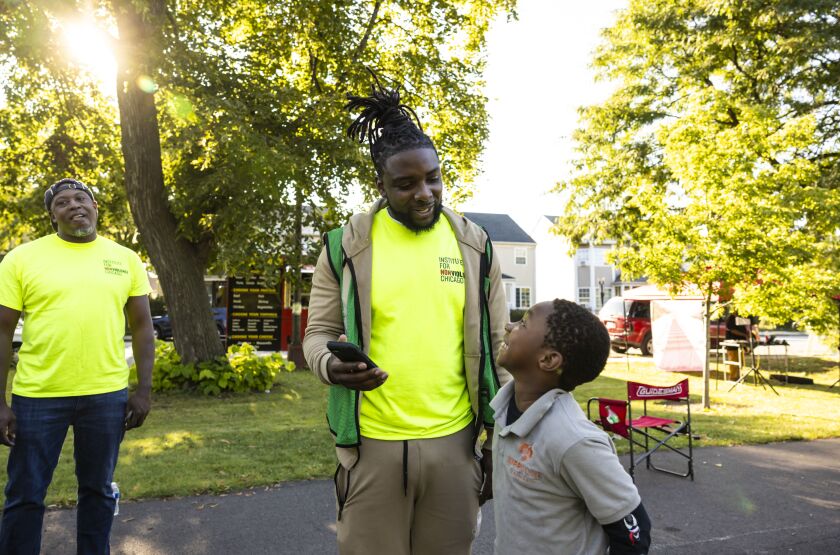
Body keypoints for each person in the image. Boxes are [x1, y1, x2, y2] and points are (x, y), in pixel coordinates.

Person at [302, 76, 509, 555]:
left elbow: (500, 347)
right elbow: (316, 334)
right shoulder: (346, 246)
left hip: (457, 445)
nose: (425, 193)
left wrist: (499, 441)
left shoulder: (475, 245)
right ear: (380, 183)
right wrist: (330, 366)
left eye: (433, 177)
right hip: (371, 446)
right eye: (406, 183)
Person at [0, 178, 155, 555]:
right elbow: (2, 330)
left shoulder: (125, 258)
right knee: (25, 493)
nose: (74, 205)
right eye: (63, 202)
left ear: (95, 205)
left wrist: (144, 390)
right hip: (38, 396)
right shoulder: (22, 258)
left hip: (106, 396)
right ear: (52, 215)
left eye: (81, 198)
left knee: (98, 490)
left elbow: (143, 326)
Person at [491, 299, 651, 555]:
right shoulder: (505, 408)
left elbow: (635, 531)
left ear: (549, 359)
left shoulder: (574, 440)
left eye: (523, 323)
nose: (509, 326)